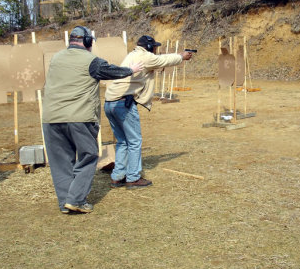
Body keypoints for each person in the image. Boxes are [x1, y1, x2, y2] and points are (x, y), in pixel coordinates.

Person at [42, 26, 143, 214]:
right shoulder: (91, 61)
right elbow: (110, 71)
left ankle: (65, 202)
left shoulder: (56, 58)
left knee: (61, 162)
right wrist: (130, 70)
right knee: (88, 156)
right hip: (79, 117)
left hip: (50, 118)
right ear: (87, 42)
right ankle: (76, 200)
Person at [104, 35, 193, 189]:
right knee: (134, 141)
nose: (156, 50)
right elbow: (163, 60)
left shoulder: (133, 54)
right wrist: (181, 56)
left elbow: (157, 61)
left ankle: (117, 177)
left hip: (109, 102)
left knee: (123, 141)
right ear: (150, 47)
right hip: (123, 103)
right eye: (155, 47)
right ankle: (133, 177)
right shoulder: (146, 57)